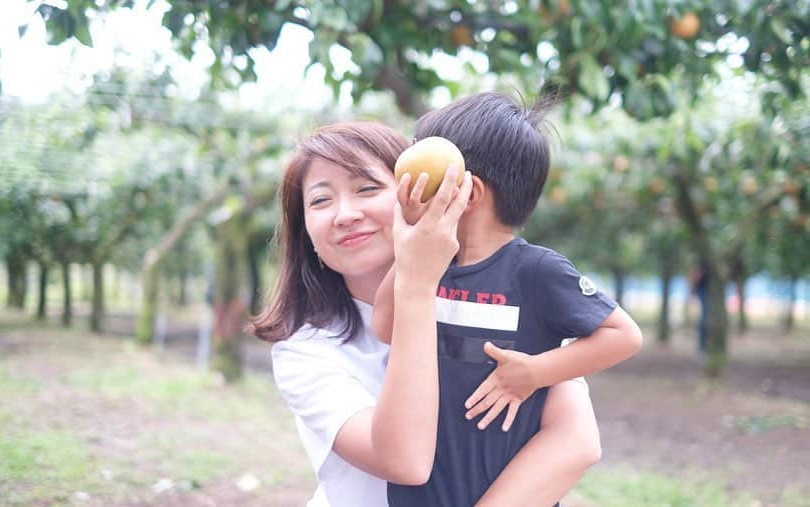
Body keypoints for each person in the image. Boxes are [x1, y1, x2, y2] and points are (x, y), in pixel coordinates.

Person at [252, 122, 606, 507]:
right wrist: (417, 282)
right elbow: (405, 462)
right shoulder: (305, 351)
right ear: (307, 234)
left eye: (367, 188)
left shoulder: (501, 300)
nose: (345, 214)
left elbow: (575, 439)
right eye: (320, 201)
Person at [371, 93, 644, 506]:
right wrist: (409, 250)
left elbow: (623, 335)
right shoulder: (427, 266)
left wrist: (537, 371)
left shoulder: (535, 271)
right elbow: (385, 326)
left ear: (470, 192)